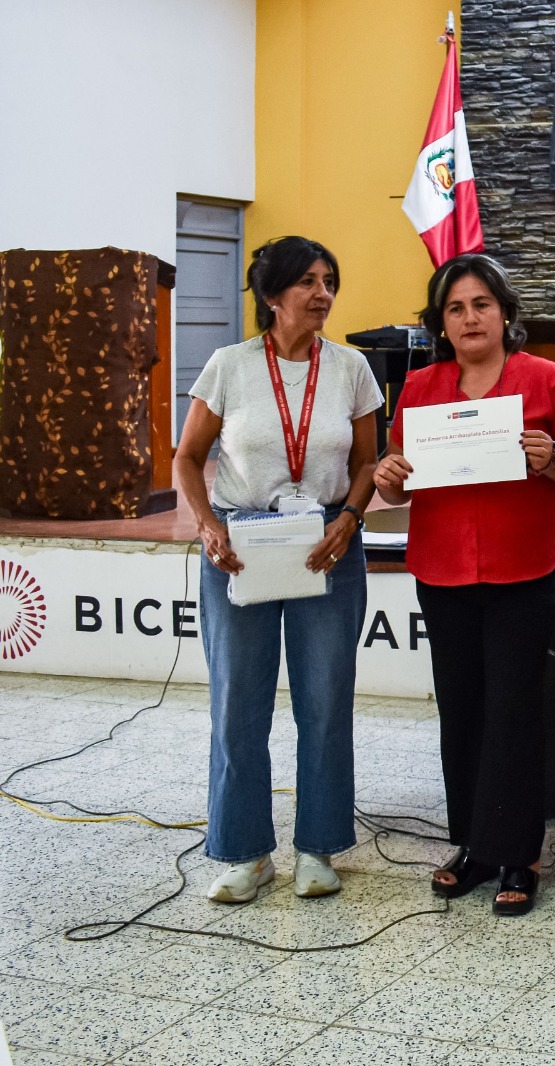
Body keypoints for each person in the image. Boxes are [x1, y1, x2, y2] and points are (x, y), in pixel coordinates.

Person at [373, 254, 555, 917]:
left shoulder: (546, 379)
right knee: (460, 711)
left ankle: (518, 853)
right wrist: (388, 479)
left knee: (514, 713)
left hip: (525, 569)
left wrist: (554, 461)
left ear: (505, 312)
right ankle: (471, 844)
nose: (470, 317)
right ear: (441, 320)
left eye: (482, 304)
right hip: (443, 570)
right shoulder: (421, 387)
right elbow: (398, 475)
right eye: (456, 308)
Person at [174, 236, 382, 903]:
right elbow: (187, 458)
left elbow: (366, 465)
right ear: (272, 296)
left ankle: (318, 848)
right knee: (239, 706)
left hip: (328, 542)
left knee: (324, 706)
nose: (323, 293)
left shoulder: (351, 369)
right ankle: (245, 853)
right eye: (309, 282)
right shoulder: (228, 366)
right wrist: (207, 527)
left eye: (330, 280)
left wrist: (348, 521)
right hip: (240, 545)